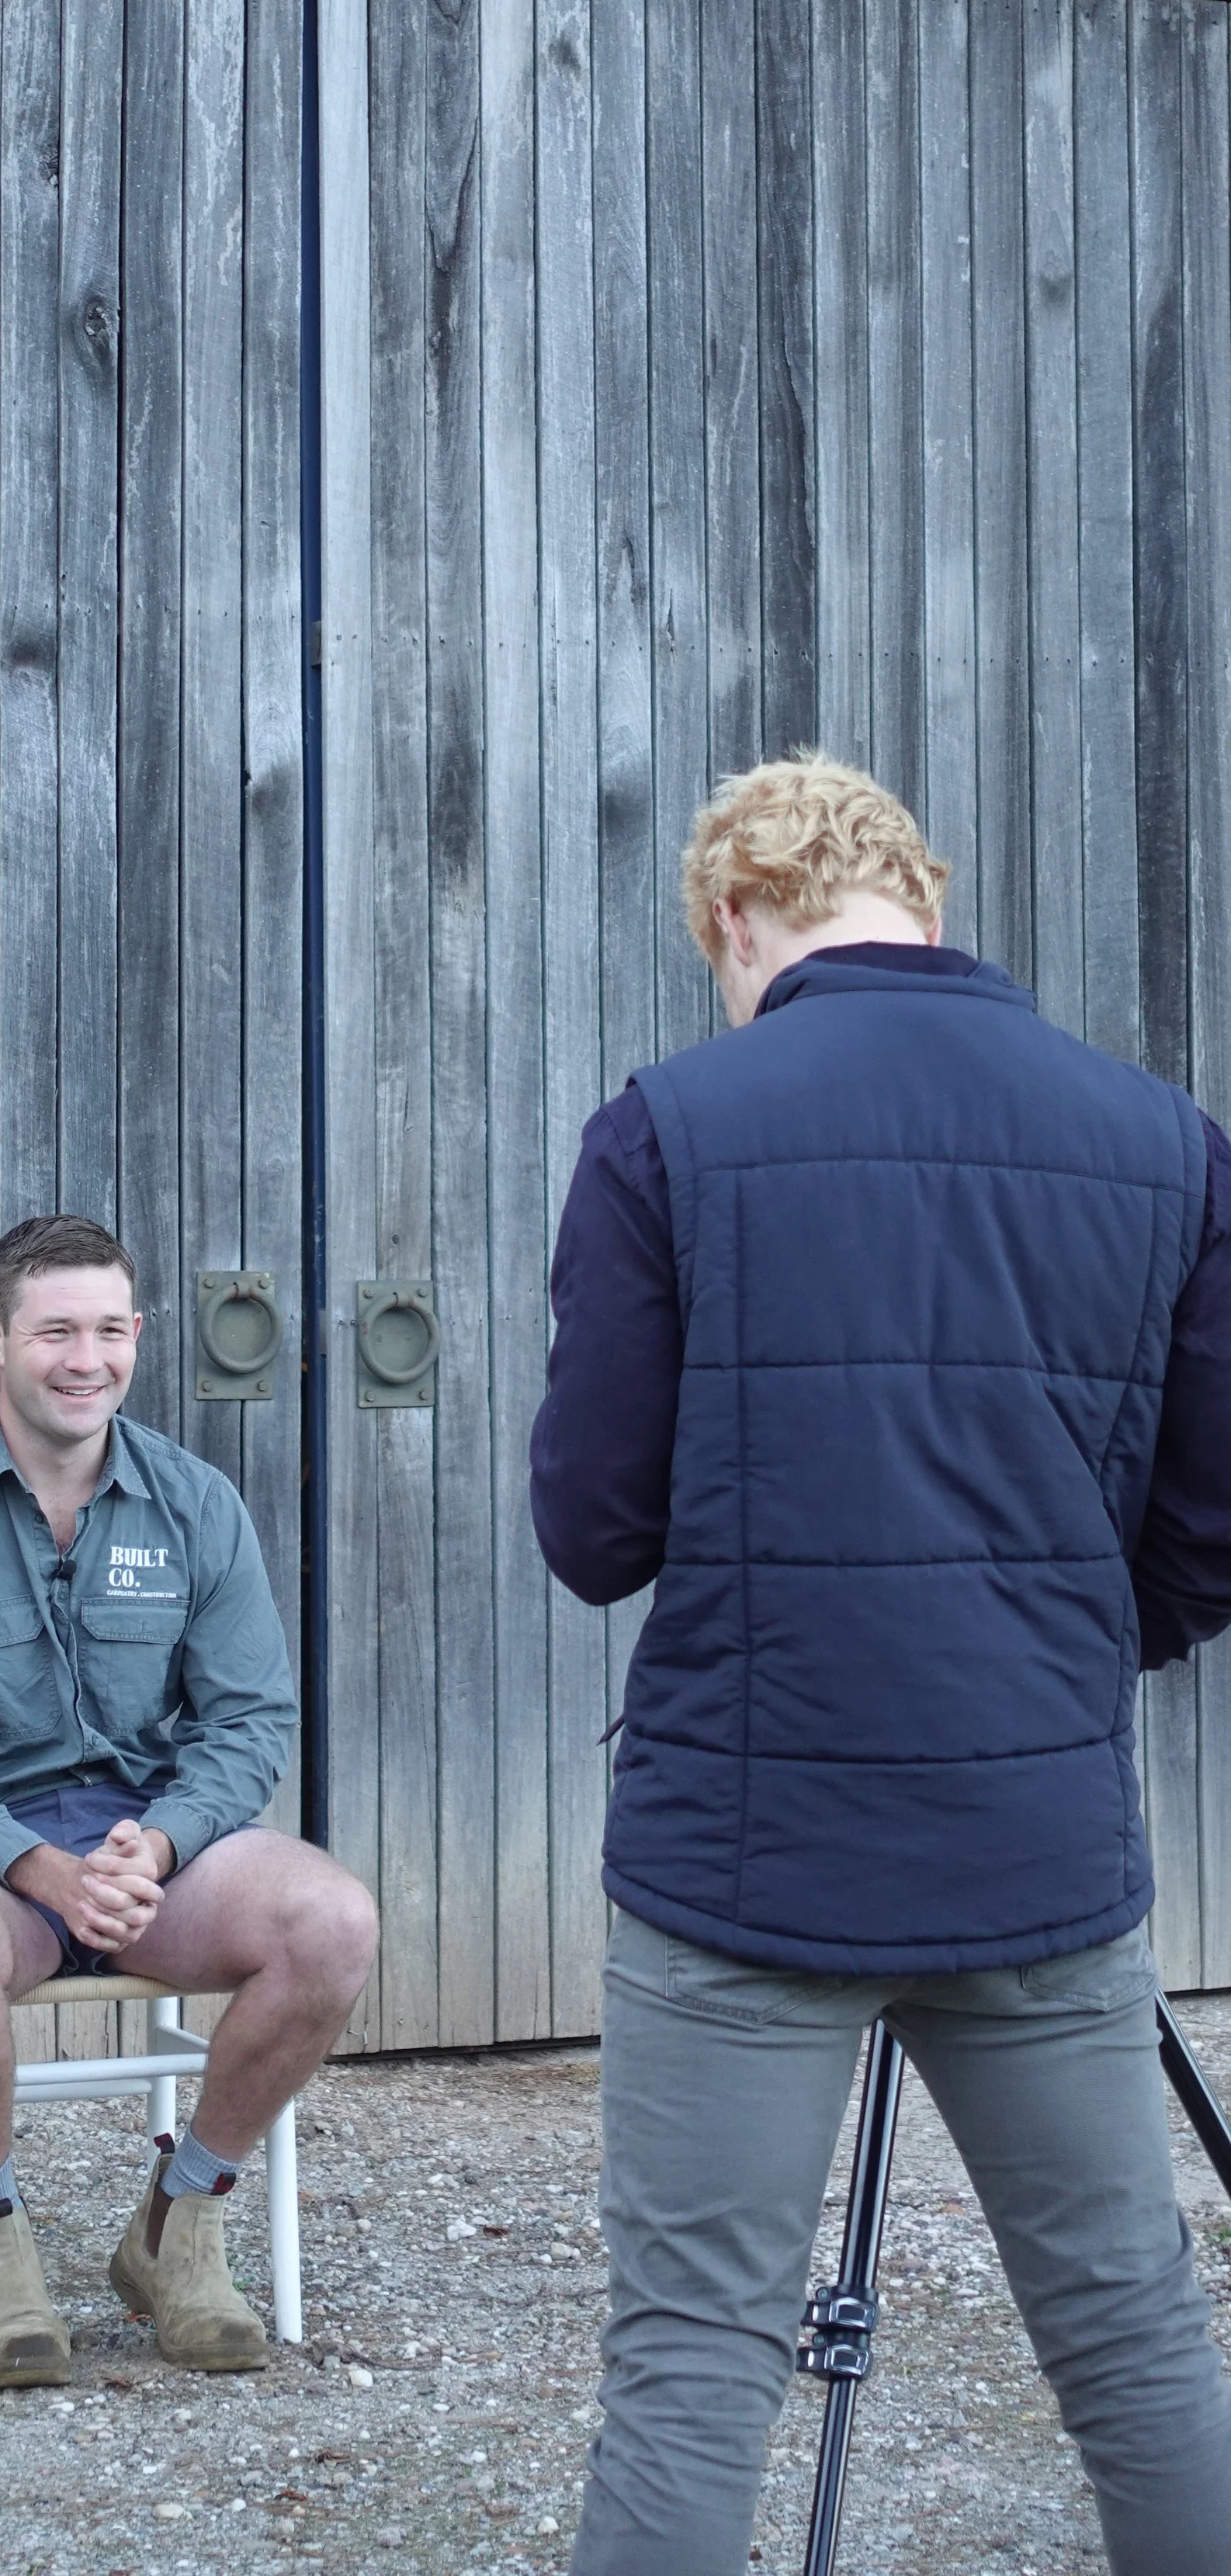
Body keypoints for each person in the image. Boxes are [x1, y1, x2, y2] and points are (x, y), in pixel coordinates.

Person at [530, 754, 1231, 2576]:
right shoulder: (1160, 1139)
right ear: (921, 902)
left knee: (692, 2364)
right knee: (1133, 2345)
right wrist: (1054, 1647)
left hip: (743, 1859)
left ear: (728, 922)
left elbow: (591, 1527)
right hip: (1035, 1851)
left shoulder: (665, 1128)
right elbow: (1212, 1529)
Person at [0, 1213, 377, 2387]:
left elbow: (248, 1721)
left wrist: (162, 1841)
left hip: (146, 1848)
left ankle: (181, 2221)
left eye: (111, 1329)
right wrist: (39, 1867)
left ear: (142, 1334)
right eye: (55, 1330)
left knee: (332, 1921)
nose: (87, 1359)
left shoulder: (196, 1503)